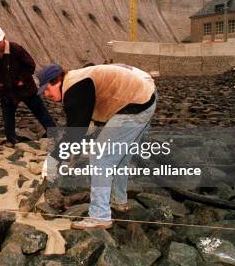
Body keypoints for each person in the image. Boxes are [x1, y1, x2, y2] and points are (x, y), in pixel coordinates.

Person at [37, 63, 157, 230]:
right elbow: (84, 118)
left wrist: (53, 160)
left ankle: (100, 216)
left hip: (136, 102)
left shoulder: (74, 89)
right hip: (145, 91)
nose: (46, 94)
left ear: (57, 80)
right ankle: (118, 200)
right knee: (121, 155)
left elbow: (74, 133)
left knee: (101, 157)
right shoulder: (77, 80)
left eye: (47, 89)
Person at [0, 25, 56, 146]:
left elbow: (30, 65)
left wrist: (21, 79)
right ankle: (11, 139)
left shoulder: (16, 49)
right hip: (7, 91)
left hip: (26, 89)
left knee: (40, 111)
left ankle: (56, 136)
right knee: (7, 115)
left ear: (4, 38)